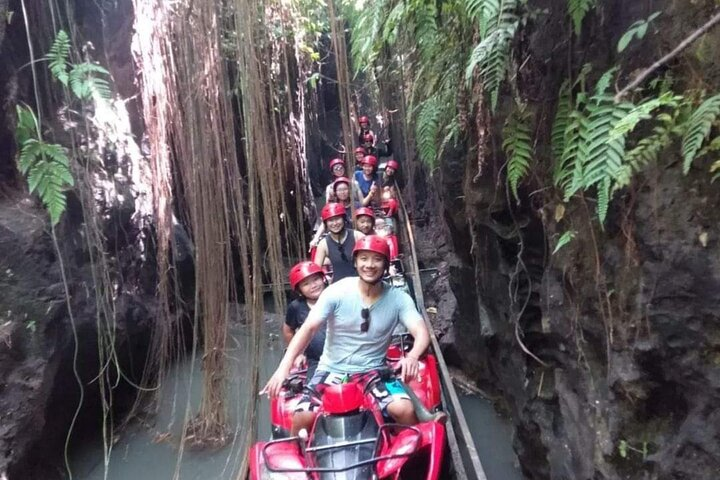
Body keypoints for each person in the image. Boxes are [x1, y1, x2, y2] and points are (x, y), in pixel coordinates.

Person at [263, 236, 431, 435]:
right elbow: (308, 329)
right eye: (364, 259)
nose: (369, 265)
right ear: (355, 262)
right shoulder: (337, 291)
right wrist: (284, 368)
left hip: (373, 369)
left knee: (403, 409)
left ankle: (407, 450)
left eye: (377, 259)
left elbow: (421, 332)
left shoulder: (399, 299)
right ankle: (299, 455)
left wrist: (412, 356)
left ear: (386, 264)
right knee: (302, 417)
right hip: (331, 368)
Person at [284, 262, 327, 378]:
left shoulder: (336, 297)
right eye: (306, 284)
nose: (313, 285)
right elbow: (288, 330)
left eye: (316, 279)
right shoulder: (296, 307)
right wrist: (298, 354)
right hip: (317, 360)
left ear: (323, 279)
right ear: (299, 290)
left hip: (346, 356)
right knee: (313, 392)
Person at [313, 202, 364, 282]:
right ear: (326, 223)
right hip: (338, 287)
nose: (335, 223)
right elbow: (316, 271)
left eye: (337, 219)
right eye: (330, 220)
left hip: (361, 283)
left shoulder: (357, 236)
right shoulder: (323, 244)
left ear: (344, 219)